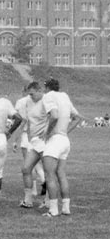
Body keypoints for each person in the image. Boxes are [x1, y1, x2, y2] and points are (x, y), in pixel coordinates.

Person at [38, 78, 84, 217]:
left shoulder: (48, 96)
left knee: (50, 175)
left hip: (55, 141)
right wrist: (65, 132)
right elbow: (78, 118)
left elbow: (54, 116)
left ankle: (53, 210)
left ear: (46, 87)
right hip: (64, 140)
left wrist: (47, 134)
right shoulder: (64, 96)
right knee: (61, 175)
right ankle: (66, 207)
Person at [15, 82, 48, 208]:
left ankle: (49, 200)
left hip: (44, 141)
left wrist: (46, 132)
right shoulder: (28, 101)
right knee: (26, 168)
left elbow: (53, 117)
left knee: (48, 171)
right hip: (33, 141)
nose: (31, 96)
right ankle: (28, 200)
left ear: (40, 91)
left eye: (32, 94)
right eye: (29, 94)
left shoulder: (46, 101)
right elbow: (26, 120)